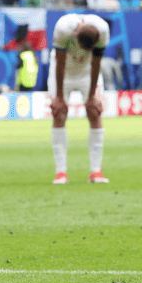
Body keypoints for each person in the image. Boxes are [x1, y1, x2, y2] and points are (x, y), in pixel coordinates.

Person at [48, 13, 110, 184]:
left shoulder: (103, 30)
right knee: (59, 113)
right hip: (63, 71)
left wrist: (91, 97)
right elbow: (60, 63)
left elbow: (96, 63)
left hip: (87, 71)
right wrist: (59, 96)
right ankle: (61, 172)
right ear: (75, 36)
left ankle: (96, 171)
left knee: (95, 113)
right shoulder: (63, 28)